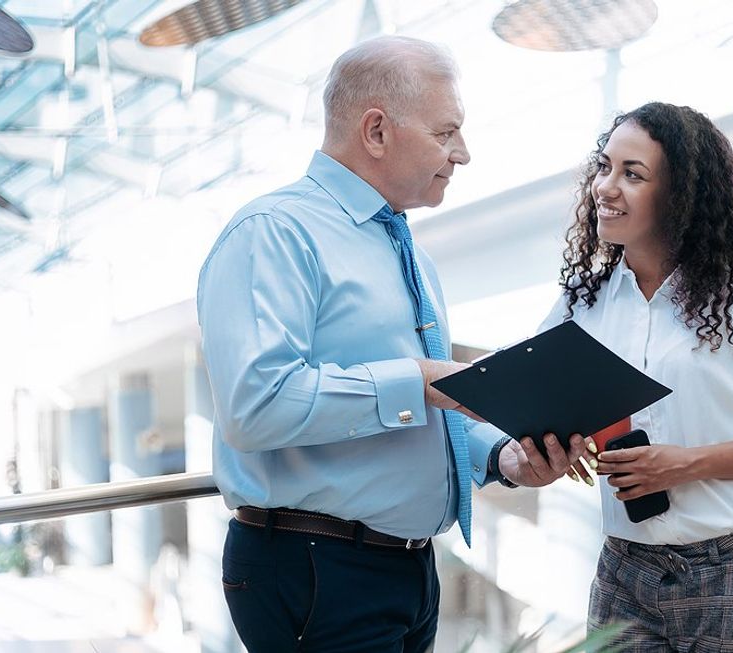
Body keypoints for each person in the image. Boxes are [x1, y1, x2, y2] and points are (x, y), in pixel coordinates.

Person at [196, 36, 585, 653]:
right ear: (375, 131)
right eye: (446, 132)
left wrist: (502, 457)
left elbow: (418, 414)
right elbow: (255, 405)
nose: (463, 154)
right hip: (317, 568)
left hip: (404, 570)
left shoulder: (405, 250)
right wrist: (421, 380)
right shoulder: (273, 233)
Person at [544, 102, 733, 652]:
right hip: (624, 573)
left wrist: (683, 465)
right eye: (604, 167)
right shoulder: (584, 300)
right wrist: (562, 433)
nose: (605, 187)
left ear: (678, 195)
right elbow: (533, 383)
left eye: (633, 174)